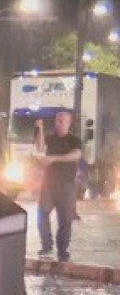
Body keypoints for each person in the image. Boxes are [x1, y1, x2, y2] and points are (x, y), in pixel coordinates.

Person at [34, 111, 83, 262]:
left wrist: (54, 158)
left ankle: (62, 251)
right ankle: (46, 246)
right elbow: (40, 147)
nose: (59, 123)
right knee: (42, 215)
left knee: (65, 219)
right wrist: (40, 129)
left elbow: (76, 155)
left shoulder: (74, 140)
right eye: (57, 120)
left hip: (66, 184)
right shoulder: (50, 137)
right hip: (48, 184)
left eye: (62, 121)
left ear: (69, 123)